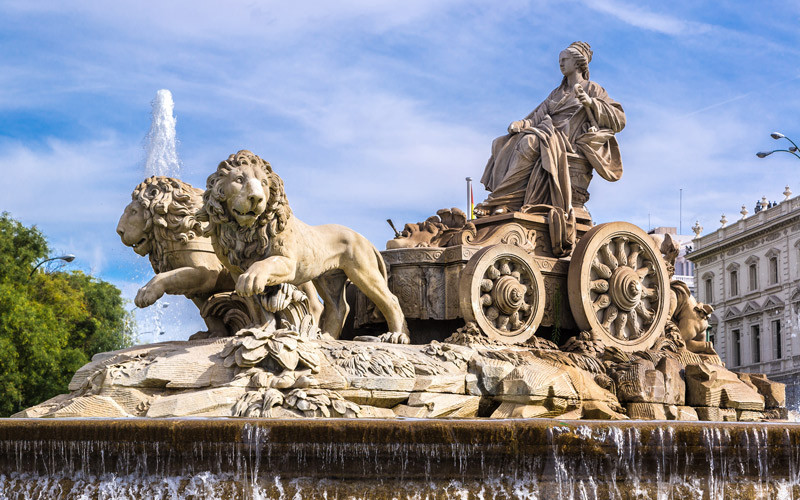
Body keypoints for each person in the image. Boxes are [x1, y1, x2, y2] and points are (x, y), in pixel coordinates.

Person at [476, 41, 626, 218]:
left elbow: (620, 119)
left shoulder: (592, 89)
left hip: (568, 140)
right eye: (560, 60)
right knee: (504, 142)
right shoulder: (557, 93)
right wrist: (521, 124)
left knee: (529, 142)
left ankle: (502, 200)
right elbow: (538, 116)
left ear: (577, 62)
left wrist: (591, 102)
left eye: (565, 59)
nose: (560, 63)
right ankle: (506, 201)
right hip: (548, 133)